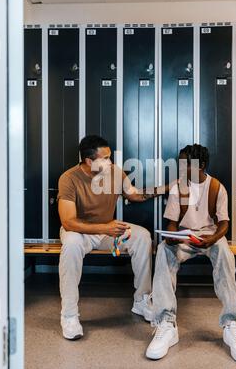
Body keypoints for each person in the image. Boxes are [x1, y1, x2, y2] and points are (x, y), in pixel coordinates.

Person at [146, 144, 236, 363]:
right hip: (186, 238)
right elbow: (172, 223)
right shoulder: (179, 188)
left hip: (209, 237)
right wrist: (171, 236)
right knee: (165, 251)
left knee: (224, 252)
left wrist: (212, 239)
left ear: (201, 165)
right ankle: (166, 324)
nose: (181, 167)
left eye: (186, 164)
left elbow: (224, 223)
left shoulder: (216, 188)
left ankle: (232, 323)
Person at [58, 135, 162, 340]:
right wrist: (105, 227)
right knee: (70, 244)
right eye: (105, 158)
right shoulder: (69, 178)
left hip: (107, 232)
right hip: (80, 233)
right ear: (89, 161)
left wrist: (166, 188)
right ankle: (69, 315)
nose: (110, 162)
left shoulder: (114, 173)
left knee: (142, 237)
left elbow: (134, 194)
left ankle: (141, 301)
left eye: (110, 157)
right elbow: (68, 222)